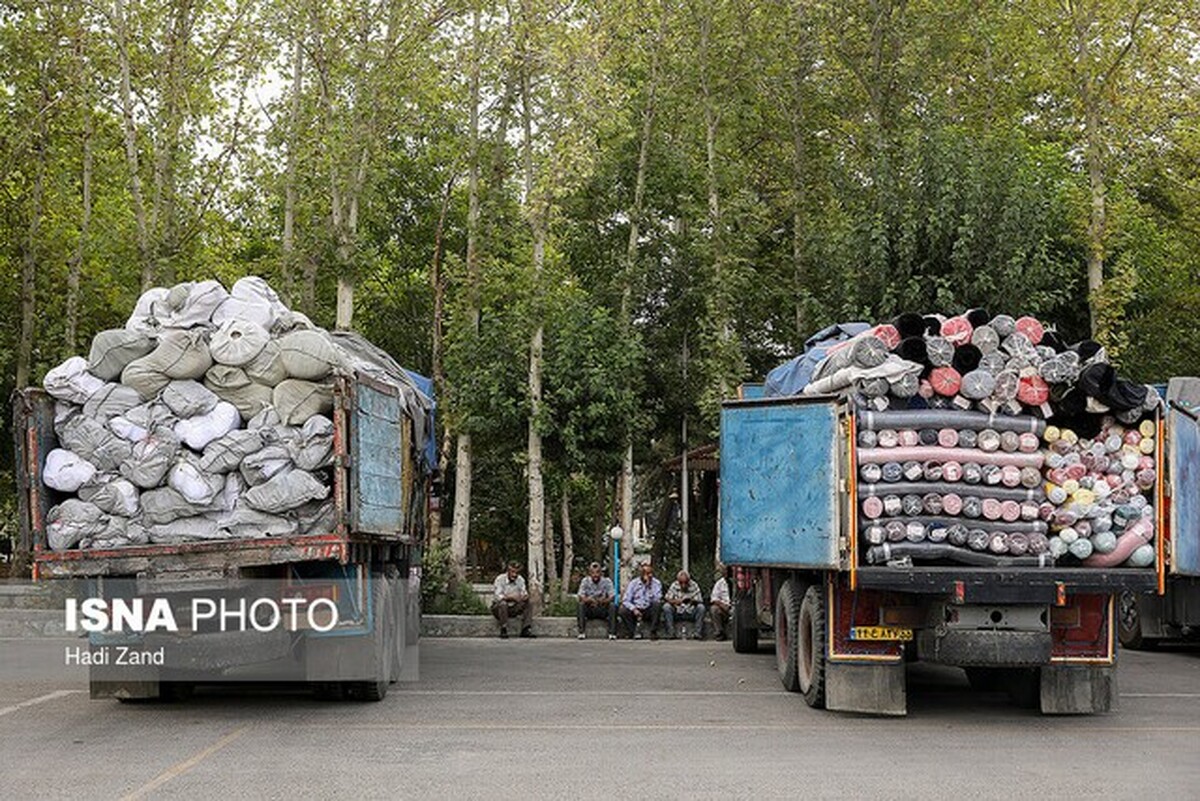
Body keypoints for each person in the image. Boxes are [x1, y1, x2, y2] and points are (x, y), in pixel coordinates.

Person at [618, 561, 662, 639]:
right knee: (623, 610)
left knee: (657, 605)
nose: (650, 575)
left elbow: (657, 598)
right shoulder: (633, 583)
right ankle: (633, 632)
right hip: (636, 608)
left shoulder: (656, 583)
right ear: (642, 574)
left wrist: (648, 587)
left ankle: (653, 632)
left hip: (648, 608)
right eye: (647, 573)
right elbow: (626, 600)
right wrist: (634, 609)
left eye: (651, 573)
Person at [492, 561, 535, 639]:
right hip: (499, 608)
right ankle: (503, 629)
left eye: (516, 573)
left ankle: (525, 629)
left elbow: (523, 592)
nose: (514, 575)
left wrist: (524, 596)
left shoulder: (520, 580)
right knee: (503, 604)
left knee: (529, 603)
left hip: (514, 607)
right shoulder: (500, 579)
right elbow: (498, 596)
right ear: (508, 571)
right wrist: (511, 597)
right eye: (512, 572)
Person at [575, 562, 616, 640]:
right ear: (589, 573)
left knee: (612, 606)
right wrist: (589, 600)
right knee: (580, 605)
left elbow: (612, 596)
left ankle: (612, 633)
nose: (595, 575)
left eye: (597, 572)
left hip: (602, 608)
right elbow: (580, 596)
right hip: (590, 608)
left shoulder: (607, 581)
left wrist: (603, 601)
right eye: (593, 573)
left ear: (601, 573)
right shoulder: (585, 581)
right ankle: (581, 632)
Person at [663, 569, 705, 640]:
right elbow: (667, 598)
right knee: (666, 607)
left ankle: (698, 633)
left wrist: (692, 601)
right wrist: (677, 601)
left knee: (701, 607)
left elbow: (700, 599)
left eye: (685, 583)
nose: (683, 585)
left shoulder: (694, 585)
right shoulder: (674, 585)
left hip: (691, 610)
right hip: (677, 611)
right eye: (681, 583)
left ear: (689, 581)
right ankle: (671, 633)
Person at [709, 569, 731, 641]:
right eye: (724, 571)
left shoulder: (741, 581)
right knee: (714, 609)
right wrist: (723, 605)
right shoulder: (720, 583)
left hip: (738, 608)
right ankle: (719, 632)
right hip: (725, 609)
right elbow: (714, 599)